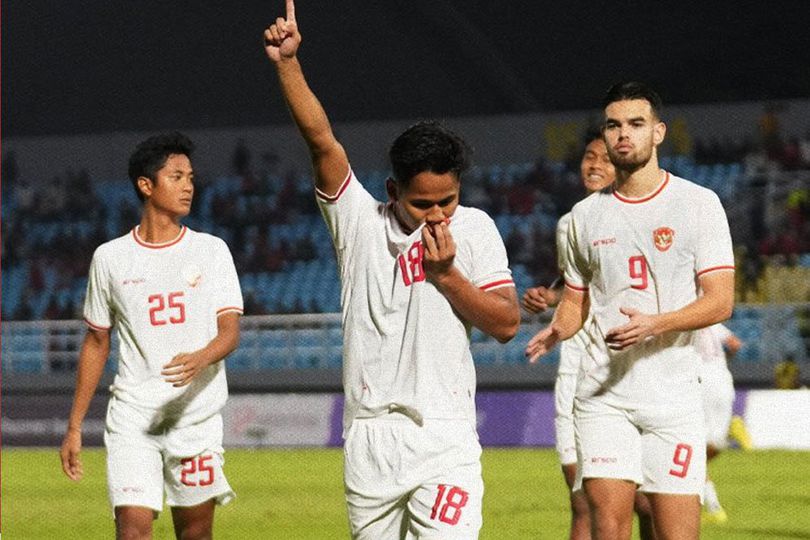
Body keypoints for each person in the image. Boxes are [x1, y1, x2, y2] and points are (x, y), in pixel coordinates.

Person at [263, 3, 521, 538]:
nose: (437, 214)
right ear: (392, 191)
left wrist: (448, 276)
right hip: (371, 440)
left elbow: (506, 324)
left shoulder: (474, 230)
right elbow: (322, 142)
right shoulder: (358, 222)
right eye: (423, 203)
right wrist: (288, 64)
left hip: (445, 435)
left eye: (447, 200)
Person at [526, 81, 735, 540]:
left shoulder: (698, 204)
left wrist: (655, 324)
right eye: (614, 125)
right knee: (609, 526)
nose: (624, 134)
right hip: (603, 394)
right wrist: (557, 329)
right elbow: (577, 303)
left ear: (658, 132)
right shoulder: (582, 219)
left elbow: (720, 300)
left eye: (636, 124)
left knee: (677, 534)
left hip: (674, 396)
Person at [60, 132, 243, 539]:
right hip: (133, 419)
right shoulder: (109, 258)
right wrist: (74, 426)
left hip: (194, 420)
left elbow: (230, 332)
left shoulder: (211, 251)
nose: (189, 186)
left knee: (194, 535)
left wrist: (202, 356)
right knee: (133, 533)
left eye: (191, 177)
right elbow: (96, 342)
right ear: (146, 184)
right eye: (177, 176)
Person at [523, 131, 655, 540]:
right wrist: (552, 299)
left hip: (640, 369)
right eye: (587, 157)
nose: (594, 165)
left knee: (650, 501)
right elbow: (580, 289)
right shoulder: (572, 223)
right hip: (580, 370)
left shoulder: (650, 215)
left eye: (604, 158)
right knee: (584, 501)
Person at [694, 323, 742, 524]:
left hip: (700, 381)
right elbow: (735, 344)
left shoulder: (683, 320)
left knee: (696, 451)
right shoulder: (713, 321)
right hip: (723, 381)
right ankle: (733, 426)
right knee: (712, 445)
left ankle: (713, 507)